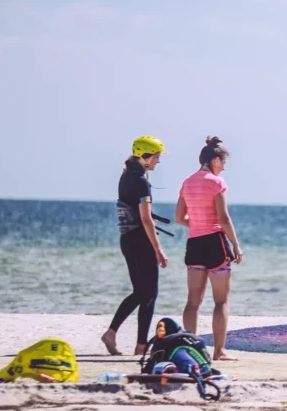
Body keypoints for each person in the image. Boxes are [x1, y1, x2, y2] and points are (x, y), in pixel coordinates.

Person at [175, 136, 243, 361]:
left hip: (194, 244)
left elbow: (179, 217)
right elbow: (223, 218)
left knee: (193, 301)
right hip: (215, 243)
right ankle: (219, 351)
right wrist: (236, 244)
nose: (223, 167)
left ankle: (189, 351)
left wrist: (197, 224)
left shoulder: (187, 182)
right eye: (223, 162)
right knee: (221, 301)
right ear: (214, 160)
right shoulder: (217, 183)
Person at [102, 135, 169, 356]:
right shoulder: (140, 180)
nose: (158, 161)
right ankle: (140, 345)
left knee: (141, 292)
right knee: (149, 293)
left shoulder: (126, 176)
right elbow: (146, 218)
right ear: (145, 155)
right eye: (157, 157)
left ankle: (113, 333)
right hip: (141, 241)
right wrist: (158, 249)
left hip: (127, 240)